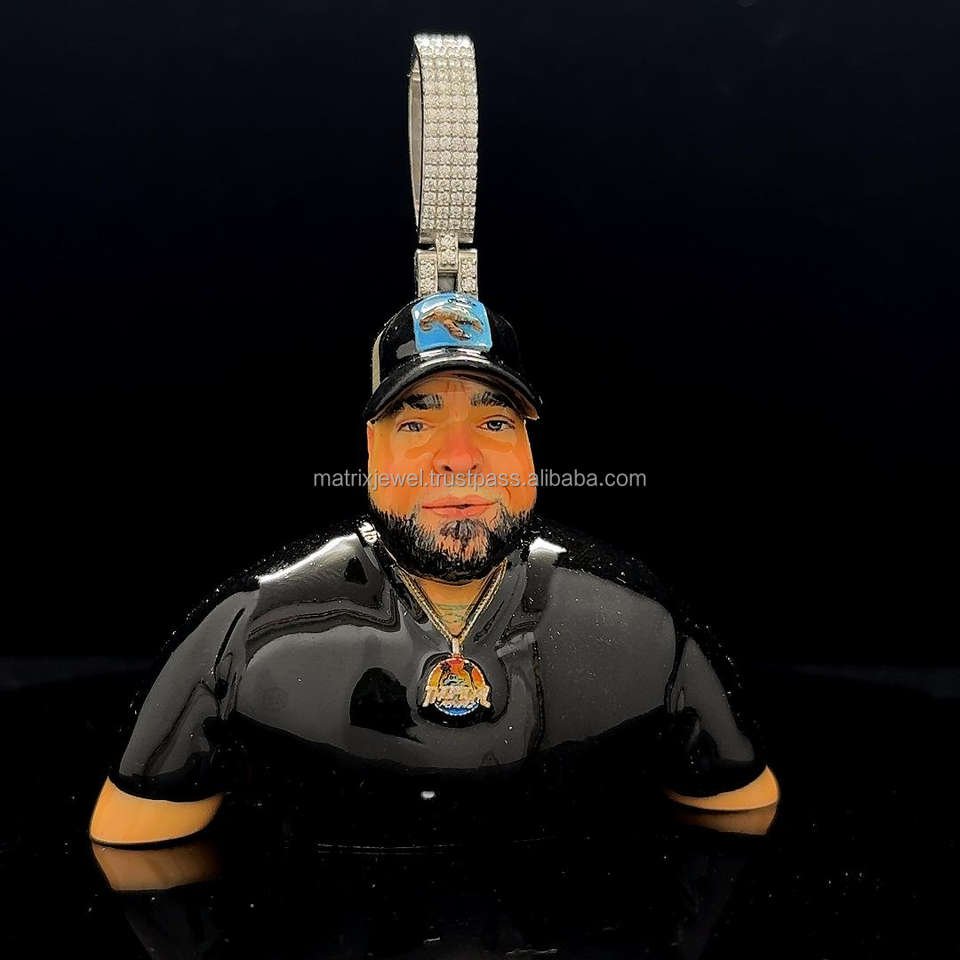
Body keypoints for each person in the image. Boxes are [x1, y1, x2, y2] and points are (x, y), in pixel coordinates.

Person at [89, 291, 779, 847]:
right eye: (416, 424)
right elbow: (136, 846)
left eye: (495, 423)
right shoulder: (248, 632)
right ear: (371, 451)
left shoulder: (645, 627)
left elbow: (739, 812)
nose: (459, 458)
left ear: (529, 450)